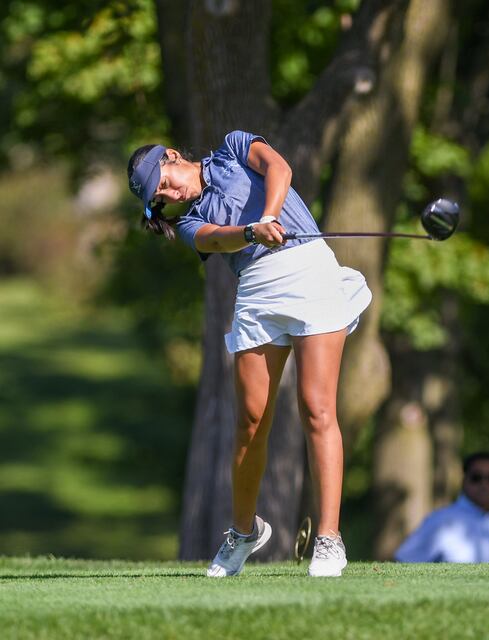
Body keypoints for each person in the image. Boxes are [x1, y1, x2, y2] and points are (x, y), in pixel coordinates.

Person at [127, 130, 372, 578]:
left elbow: (279, 167)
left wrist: (270, 215)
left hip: (310, 270)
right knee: (250, 422)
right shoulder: (189, 224)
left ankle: (329, 539)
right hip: (257, 292)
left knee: (317, 409)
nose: (169, 195)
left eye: (163, 182)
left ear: (173, 156)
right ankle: (243, 533)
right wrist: (251, 231)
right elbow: (218, 240)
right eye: (159, 197)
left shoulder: (234, 147)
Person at [394, 452, 489, 563]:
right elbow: (404, 561)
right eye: (476, 477)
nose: (484, 484)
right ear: (464, 480)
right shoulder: (440, 520)